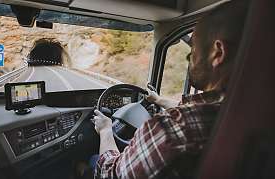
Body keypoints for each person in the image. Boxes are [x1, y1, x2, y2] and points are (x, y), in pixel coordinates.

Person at [92, 1, 247, 179]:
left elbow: (111, 174)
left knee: (94, 159)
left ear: (218, 53)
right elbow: (199, 110)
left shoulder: (173, 129)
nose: (189, 60)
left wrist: (105, 130)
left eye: (193, 51)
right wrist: (158, 100)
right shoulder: (246, 112)